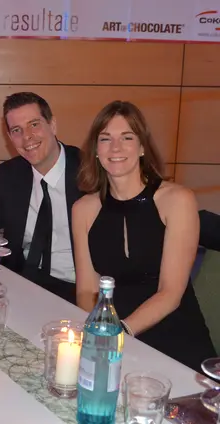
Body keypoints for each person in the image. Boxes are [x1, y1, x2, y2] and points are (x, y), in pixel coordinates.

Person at [72, 100, 216, 370]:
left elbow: (170, 293)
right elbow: (86, 290)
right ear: (96, 151)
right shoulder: (83, 209)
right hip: (111, 330)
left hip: (172, 331)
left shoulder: (177, 200)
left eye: (127, 137)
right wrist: (97, 334)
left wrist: (121, 333)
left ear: (142, 147)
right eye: (106, 139)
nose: (115, 148)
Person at [0, 92, 82, 304]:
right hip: (20, 281)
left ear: (52, 125)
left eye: (34, 124)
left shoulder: (88, 172)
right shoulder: (10, 174)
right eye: (17, 130)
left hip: (74, 288)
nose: (27, 137)